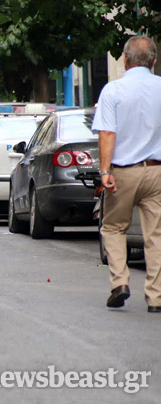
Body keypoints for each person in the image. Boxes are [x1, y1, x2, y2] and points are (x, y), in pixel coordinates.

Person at [92, 35, 161, 313]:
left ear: (124, 60)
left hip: (124, 172)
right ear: (154, 61)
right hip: (157, 172)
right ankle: (156, 297)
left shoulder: (112, 91)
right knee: (156, 235)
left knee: (113, 227)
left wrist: (105, 170)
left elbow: (108, 133)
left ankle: (120, 283)